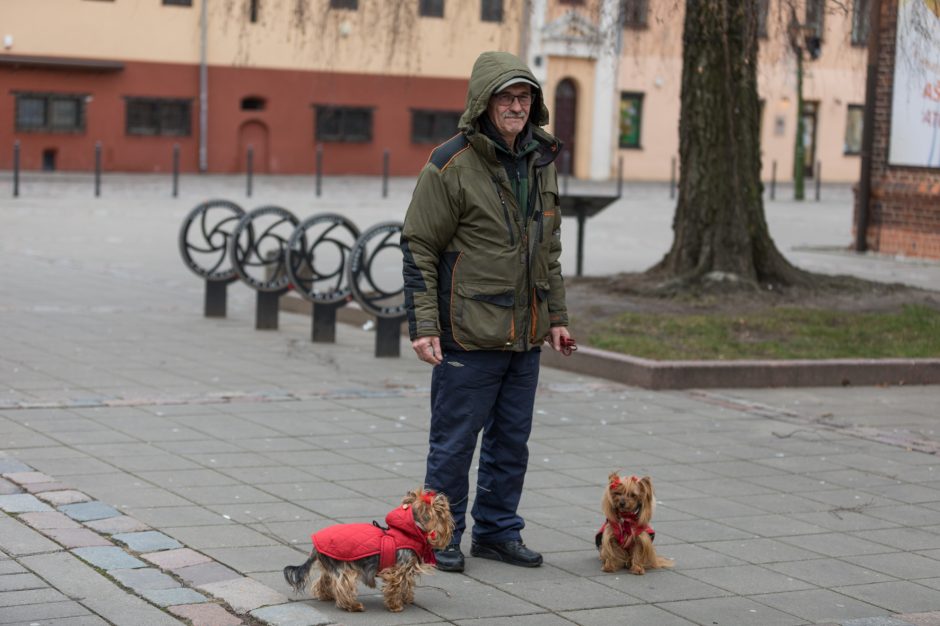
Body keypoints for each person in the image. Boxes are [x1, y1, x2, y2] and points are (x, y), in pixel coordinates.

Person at [400, 50, 570, 573]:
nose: (517, 107)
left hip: (525, 333)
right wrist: (423, 325)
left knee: (511, 441)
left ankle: (498, 532)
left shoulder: (540, 158)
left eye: (524, 98)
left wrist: (557, 317)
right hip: (467, 333)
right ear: (484, 103)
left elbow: (549, 246)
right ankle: (440, 537)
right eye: (506, 98)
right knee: (453, 444)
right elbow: (417, 245)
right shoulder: (449, 162)